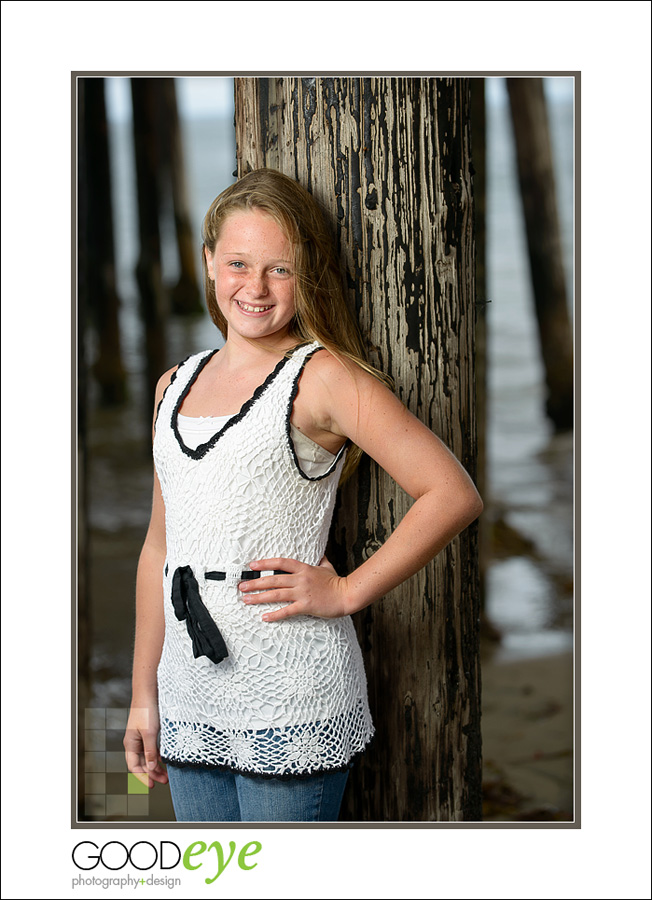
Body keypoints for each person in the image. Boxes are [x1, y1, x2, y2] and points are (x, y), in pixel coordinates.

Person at [123, 168, 483, 822]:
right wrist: (141, 694)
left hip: (290, 693)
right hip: (188, 694)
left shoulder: (321, 378)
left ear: (305, 275)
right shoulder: (172, 385)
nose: (254, 288)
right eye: (237, 263)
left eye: (279, 269)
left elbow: (450, 492)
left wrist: (347, 591)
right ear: (207, 263)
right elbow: (159, 550)